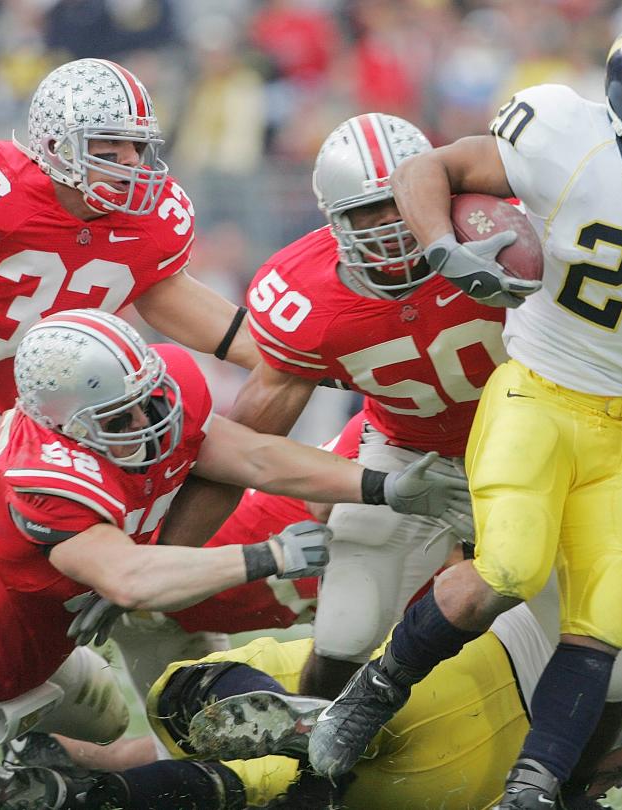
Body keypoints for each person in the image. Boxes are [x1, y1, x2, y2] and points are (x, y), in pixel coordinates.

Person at [307, 14, 622, 808]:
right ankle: (379, 684)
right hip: (537, 395)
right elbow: (426, 168)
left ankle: (535, 790)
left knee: (602, 623)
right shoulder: (565, 137)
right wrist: (441, 247)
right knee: (507, 568)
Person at [0, 308, 470, 807]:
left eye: (147, 399)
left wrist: (380, 486)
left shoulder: (147, 402)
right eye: (120, 419)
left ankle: (40, 778)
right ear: (64, 426)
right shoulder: (43, 480)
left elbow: (257, 457)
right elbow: (130, 580)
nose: (148, 423)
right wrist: (268, 555)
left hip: (57, 638)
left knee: (112, 720)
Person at [0, 500, 622, 810]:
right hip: (498, 747)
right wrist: (577, 783)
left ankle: (55, 768)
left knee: (183, 690)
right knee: (263, 784)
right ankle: (79, 793)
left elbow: (477, 572)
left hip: (457, 658)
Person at [0, 57, 260, 556]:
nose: (130, 161)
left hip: (13, 433)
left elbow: (170, 296)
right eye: (109, 145)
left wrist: (292, 353)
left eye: (137, 145)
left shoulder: (147, 224)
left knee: (66, 566)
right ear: (54, 145)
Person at [209, 112, 508, 697]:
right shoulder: (308, 294)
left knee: (574, 629)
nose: (387, 225)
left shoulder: (498, 233)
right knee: (344, 632)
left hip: (528, 450)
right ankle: (310, 771)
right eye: (364, 212)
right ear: (332, 221)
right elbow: (242, 445)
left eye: (397, 202)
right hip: (407, 455)